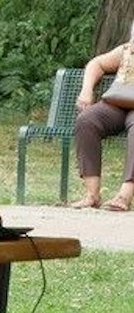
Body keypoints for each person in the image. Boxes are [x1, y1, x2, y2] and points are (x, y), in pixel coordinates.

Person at [65, 24, 134, 210]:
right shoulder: (127, 51)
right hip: (117, 104)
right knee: (87, 120)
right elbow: (97, 63)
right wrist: (86, 90)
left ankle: (124, 196)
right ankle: (92, 195)